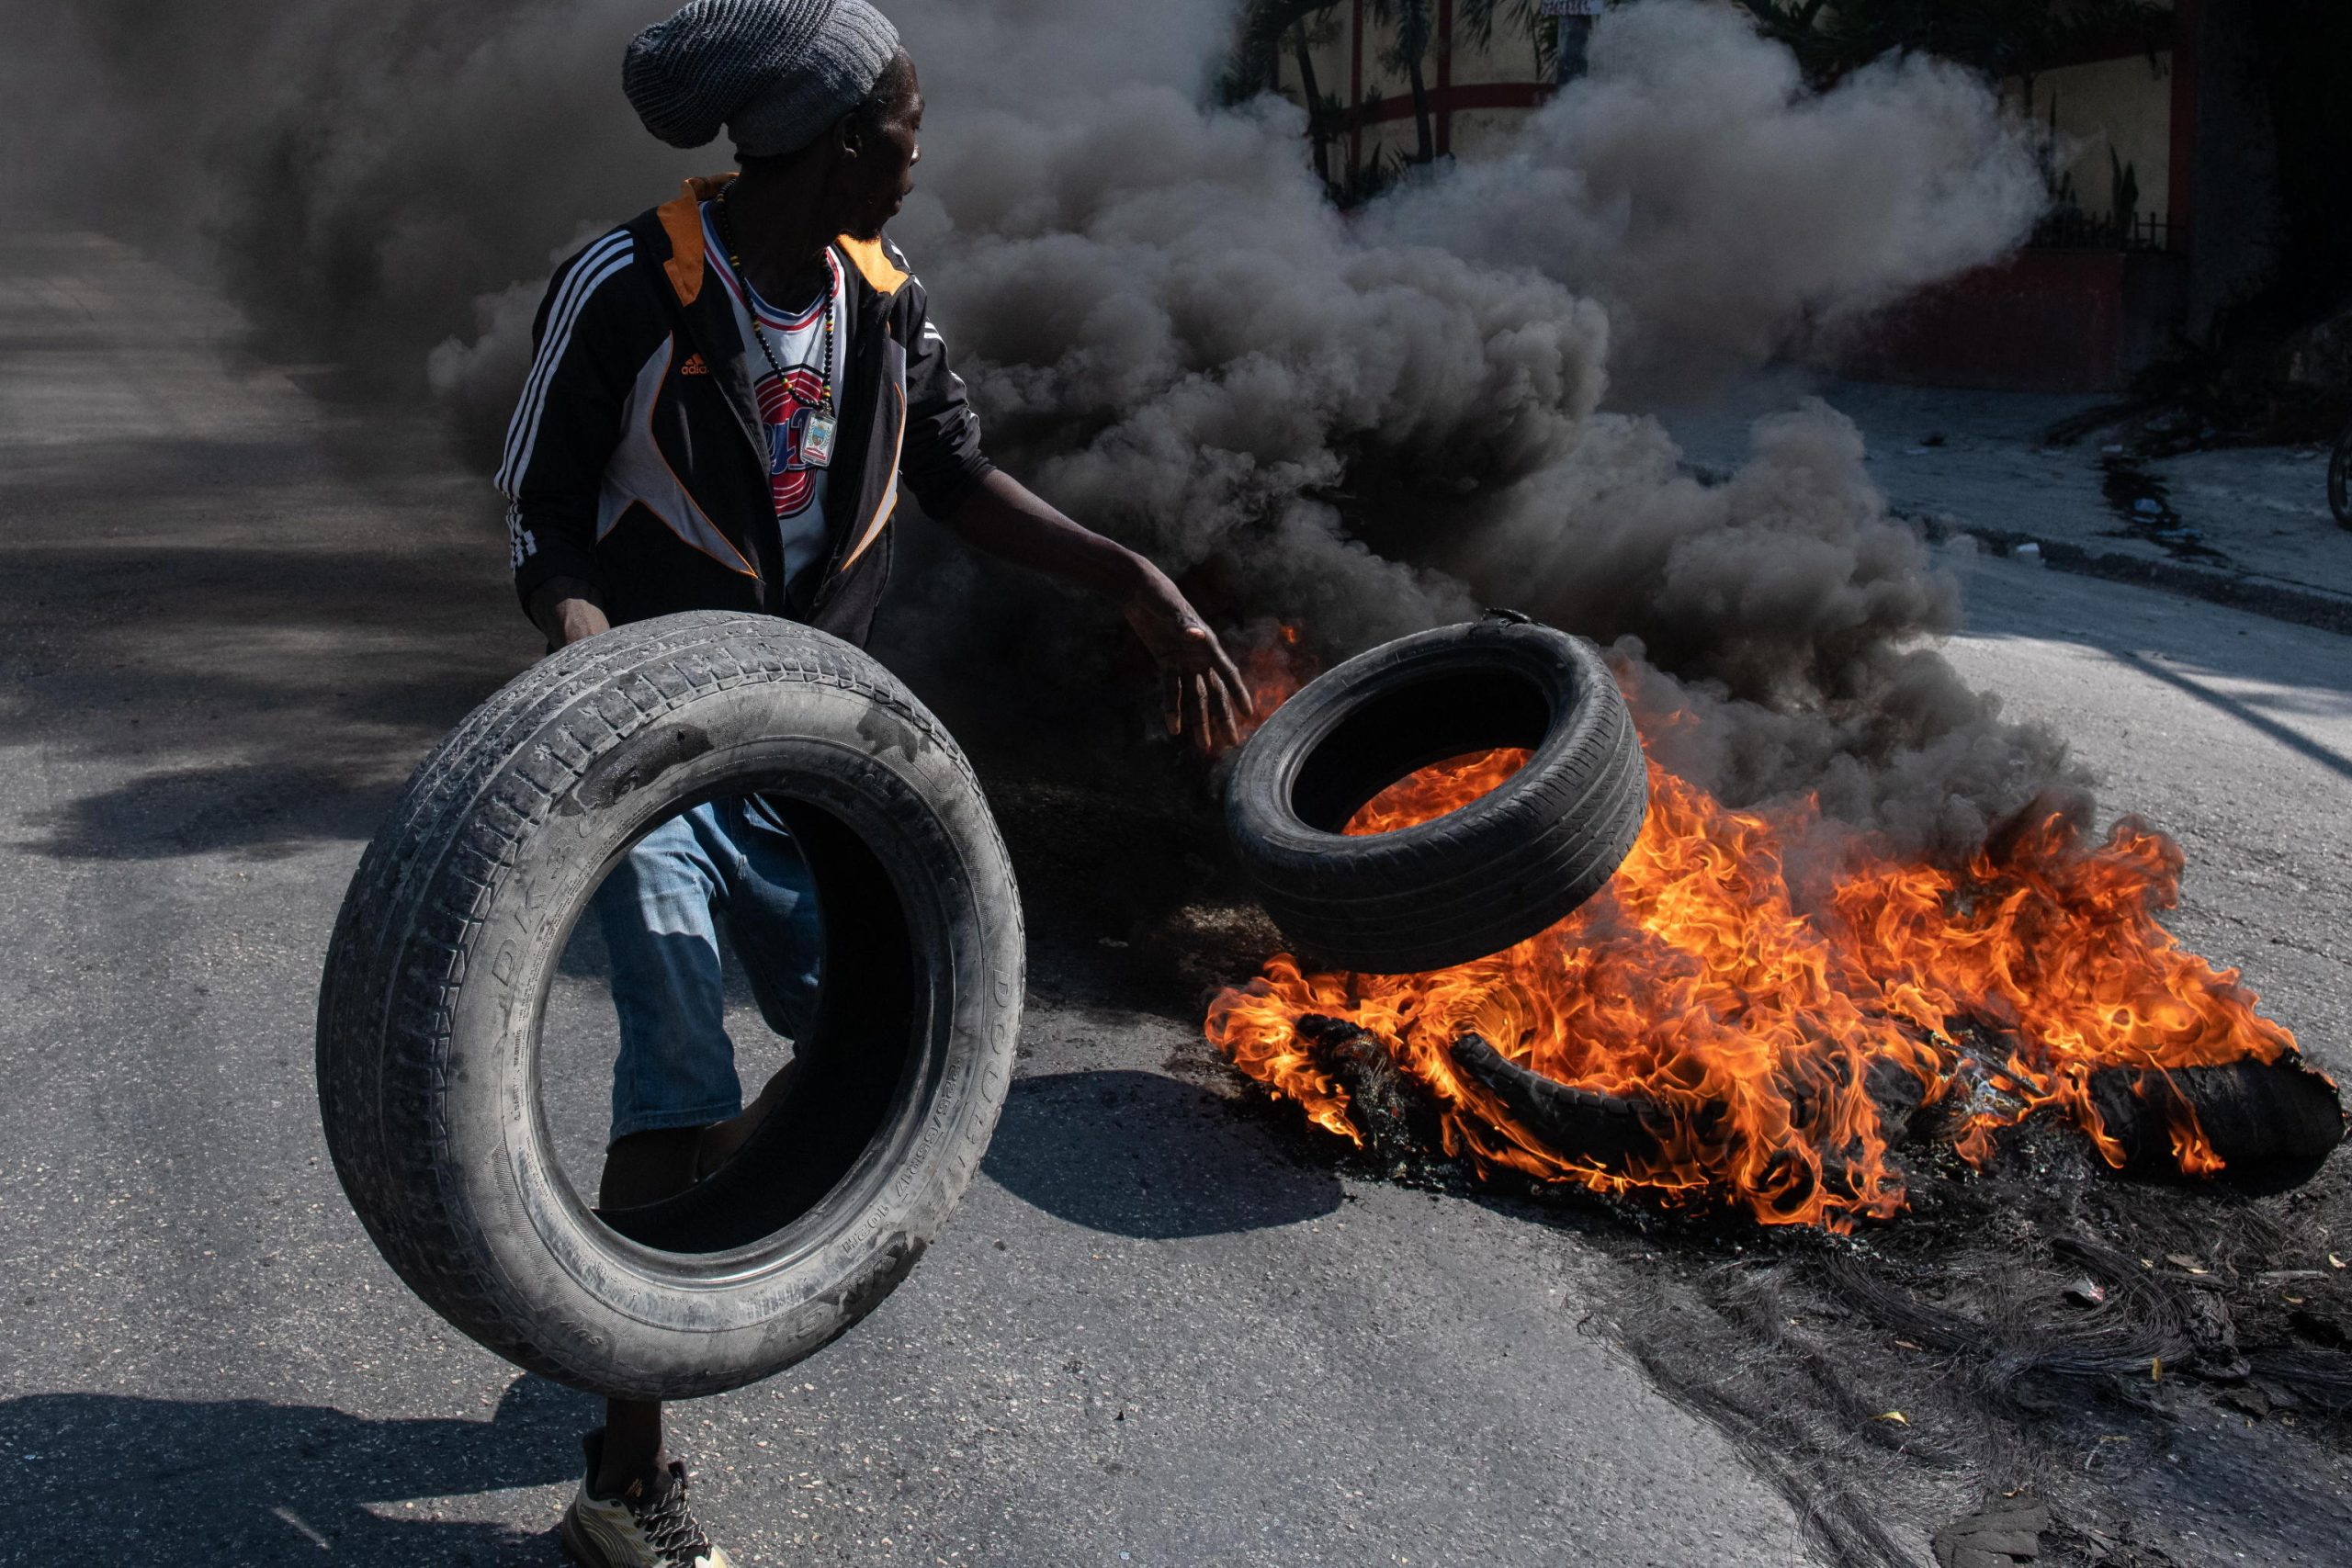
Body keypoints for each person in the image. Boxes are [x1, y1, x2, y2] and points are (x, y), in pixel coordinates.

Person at [496, 2, 1251, 1563]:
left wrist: (1136, 581)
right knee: (678, 1054)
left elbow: (961, 479)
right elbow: (542, 519)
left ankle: (650, 1251)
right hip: (660, 758)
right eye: (906, 121)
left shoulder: (887, 304)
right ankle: (621, 1485)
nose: (921, 149)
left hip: (826, 749)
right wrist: (594, 682)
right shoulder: (631, 287)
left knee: (872, 1045)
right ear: (837, 139)